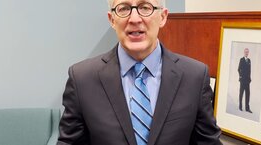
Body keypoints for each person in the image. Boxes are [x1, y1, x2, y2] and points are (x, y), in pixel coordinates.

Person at [57, 0, 222, 144]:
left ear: (163, 17)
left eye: (145, 7)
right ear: (112, 19)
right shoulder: (82, 79)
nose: (134, 19)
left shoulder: (195, 76)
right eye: (123, 8)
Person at [238, 48, 252, 113]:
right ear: (244, 52)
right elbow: (238, 69)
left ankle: (247, 108)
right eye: (245, 52)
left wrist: (249, 78)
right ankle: (240, 107)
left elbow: (249, 70)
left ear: (248, 53)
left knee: (247, 94)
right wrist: (240, 76)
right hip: (242, 80)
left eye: (247, 52)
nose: (246, 53)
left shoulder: (249, 60)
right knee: (241, 93)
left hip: (247, 81)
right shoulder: (241, 60)